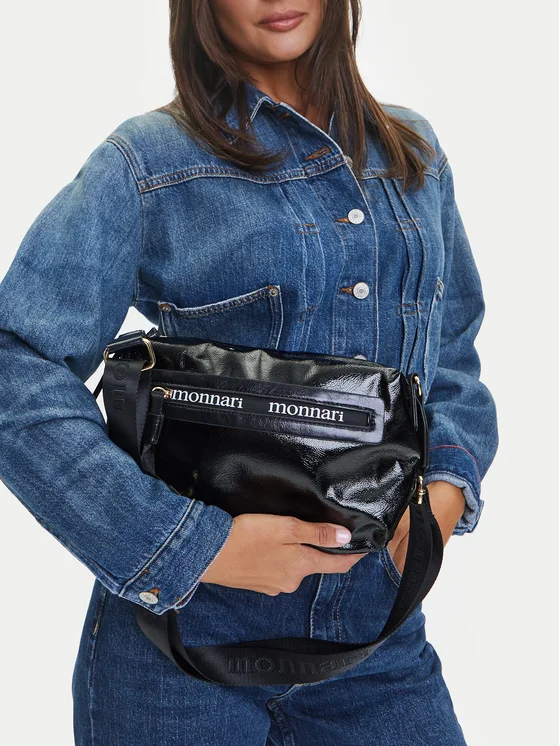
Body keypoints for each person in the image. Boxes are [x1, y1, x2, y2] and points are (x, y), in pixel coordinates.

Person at [0, 1, 499, 743]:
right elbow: (16, 359)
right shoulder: (148, 162)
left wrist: (448, 487)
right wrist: (190, 547)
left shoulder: (410, 152)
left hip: (378, 641)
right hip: (179, 651)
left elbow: (450, 346)